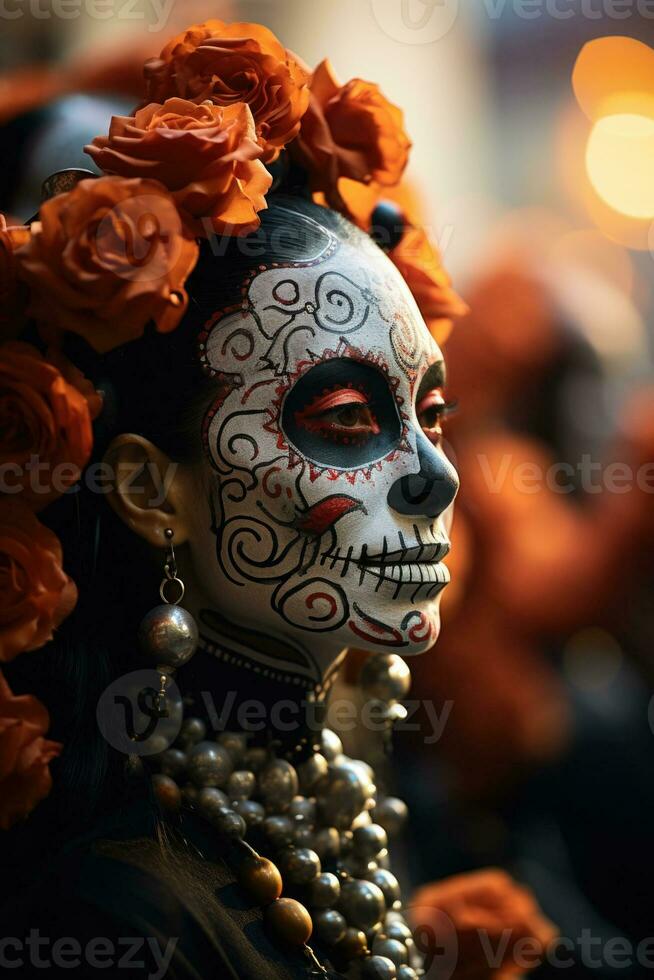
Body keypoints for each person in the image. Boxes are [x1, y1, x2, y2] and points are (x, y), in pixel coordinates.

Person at [0, 18, 555, 979]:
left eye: (432, 411)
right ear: (148, 489)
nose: (438, 473)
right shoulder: (121, 924)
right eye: (345, 421)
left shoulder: (327, 828)